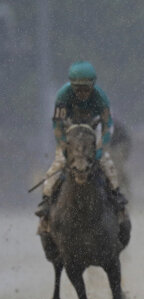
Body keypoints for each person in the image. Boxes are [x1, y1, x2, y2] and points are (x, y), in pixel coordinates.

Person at [36, 61, 128, 233]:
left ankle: (117, 198)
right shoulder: (63, 97)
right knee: (57, 164)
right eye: (78, 89)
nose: (83, 93)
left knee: (106, 162)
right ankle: (46, 206)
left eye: (87, 89)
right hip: (70, 132)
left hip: (93, 130)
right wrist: (63, 146)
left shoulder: (100, 97)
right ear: (72, 85)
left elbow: (108, 125)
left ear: (93, 85)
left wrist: (101, 148)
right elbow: (57, 125)